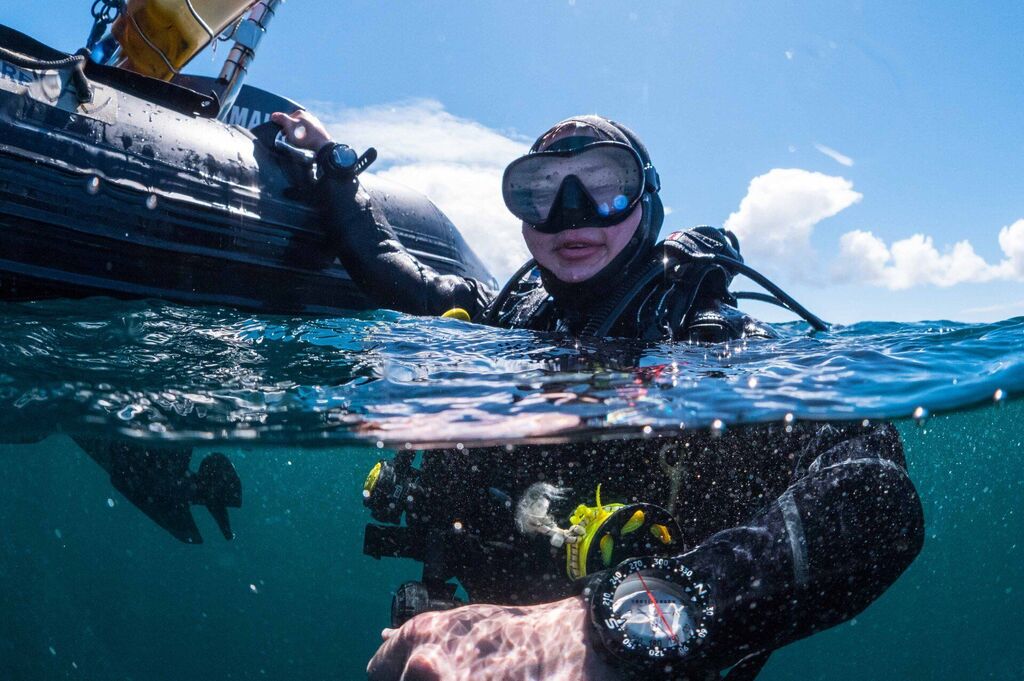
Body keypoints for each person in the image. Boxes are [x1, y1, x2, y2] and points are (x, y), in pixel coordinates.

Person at [272, 110, 924, 680]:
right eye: (541, 192)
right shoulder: (510, 316)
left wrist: (628, 622)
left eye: (605, 185)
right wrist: (334, 165)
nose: (572, 214)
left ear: (648, 202)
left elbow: (875, 496)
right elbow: (387, 264)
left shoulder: (713, 344)